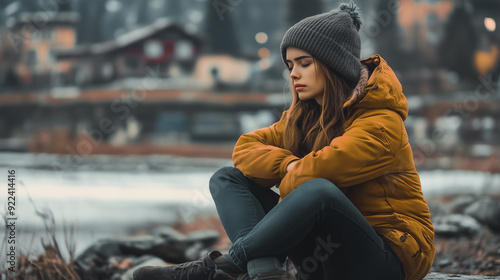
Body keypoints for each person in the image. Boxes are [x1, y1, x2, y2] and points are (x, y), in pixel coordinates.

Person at [133, 2, 435, 280]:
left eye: (304, 63)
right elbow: (245, 149)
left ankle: (223, 267)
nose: (293, 74)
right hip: (325, 258)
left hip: (389, 258)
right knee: (228, 178)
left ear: (333, 65)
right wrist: (289, 163)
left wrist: (291, 174)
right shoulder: (305, 117)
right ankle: (263, 271)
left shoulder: (380, 123)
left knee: (319, 192)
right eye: (290, 65)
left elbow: (313, 180)